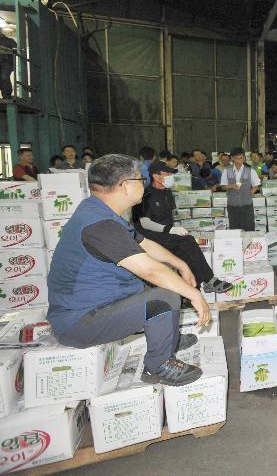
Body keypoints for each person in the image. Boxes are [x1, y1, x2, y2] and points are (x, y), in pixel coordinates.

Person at [47, 154, 211, 386]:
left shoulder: (97, 210)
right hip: (79, 322)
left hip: (99, 303)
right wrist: (194, 294)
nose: (142, 184)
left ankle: (169, 339)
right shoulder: (100, 226)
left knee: (165, 279)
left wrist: (180, 264)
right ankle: (157, 365)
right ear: (125, 186)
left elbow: (143, 243)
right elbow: (151, 271)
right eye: (139, 179)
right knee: (164, 298)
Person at [133, 161, 233, 294]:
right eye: (167, 173)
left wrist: (175, 229)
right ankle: (210, 280)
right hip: (149, 236)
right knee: (188, 241)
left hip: (166, 235)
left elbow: (169, 217)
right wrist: (170, 230)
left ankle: (194, 290)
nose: (170, 176)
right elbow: (145, 222)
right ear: (156, 176)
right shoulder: (145, 195)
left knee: (186, 254)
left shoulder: (167, 193)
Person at [220, 147, 260, 231]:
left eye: (241, 158)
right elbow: (223, 186)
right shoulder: (227, 171)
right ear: (232, 158)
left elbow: (256, 185)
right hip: (232, 206)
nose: (238, 161)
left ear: (244, 158)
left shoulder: (250, 171)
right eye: (236, 158)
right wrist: (232, 186)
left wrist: (250, 193)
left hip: (247, 206)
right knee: (235, 230)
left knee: (249, 228)